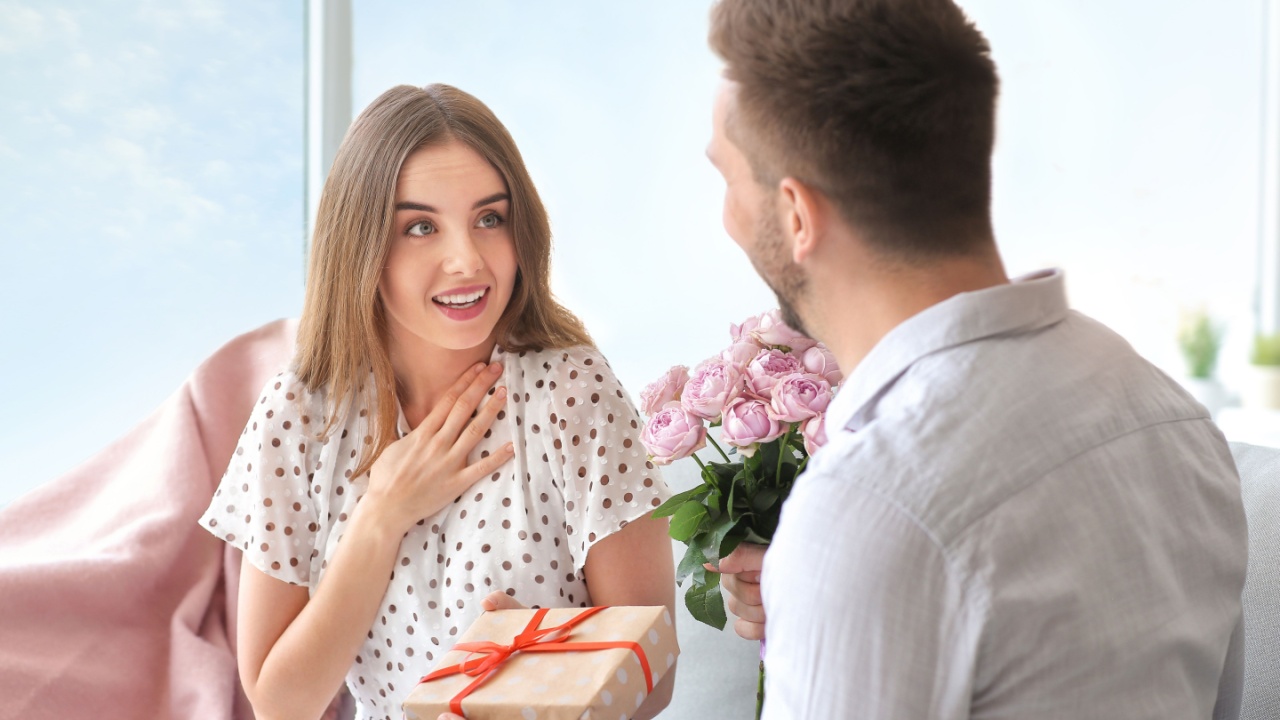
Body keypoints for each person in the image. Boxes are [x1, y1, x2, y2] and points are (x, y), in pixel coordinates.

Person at [703, 0, 1247, 718]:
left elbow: (910, 534)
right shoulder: (1168, 416)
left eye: (726, 177)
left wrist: (840, 571)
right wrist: (827, 606)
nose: (726, 215)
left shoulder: (872, 510)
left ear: (797, 215)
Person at [198, 84, 676, 720]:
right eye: (420, 227)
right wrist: (382, 516)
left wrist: (540, 665)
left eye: (490, 218)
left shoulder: (573, 393)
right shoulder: (300, 415)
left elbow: (654, 675)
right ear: (362, 245)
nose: (467, 259)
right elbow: (281, 704)